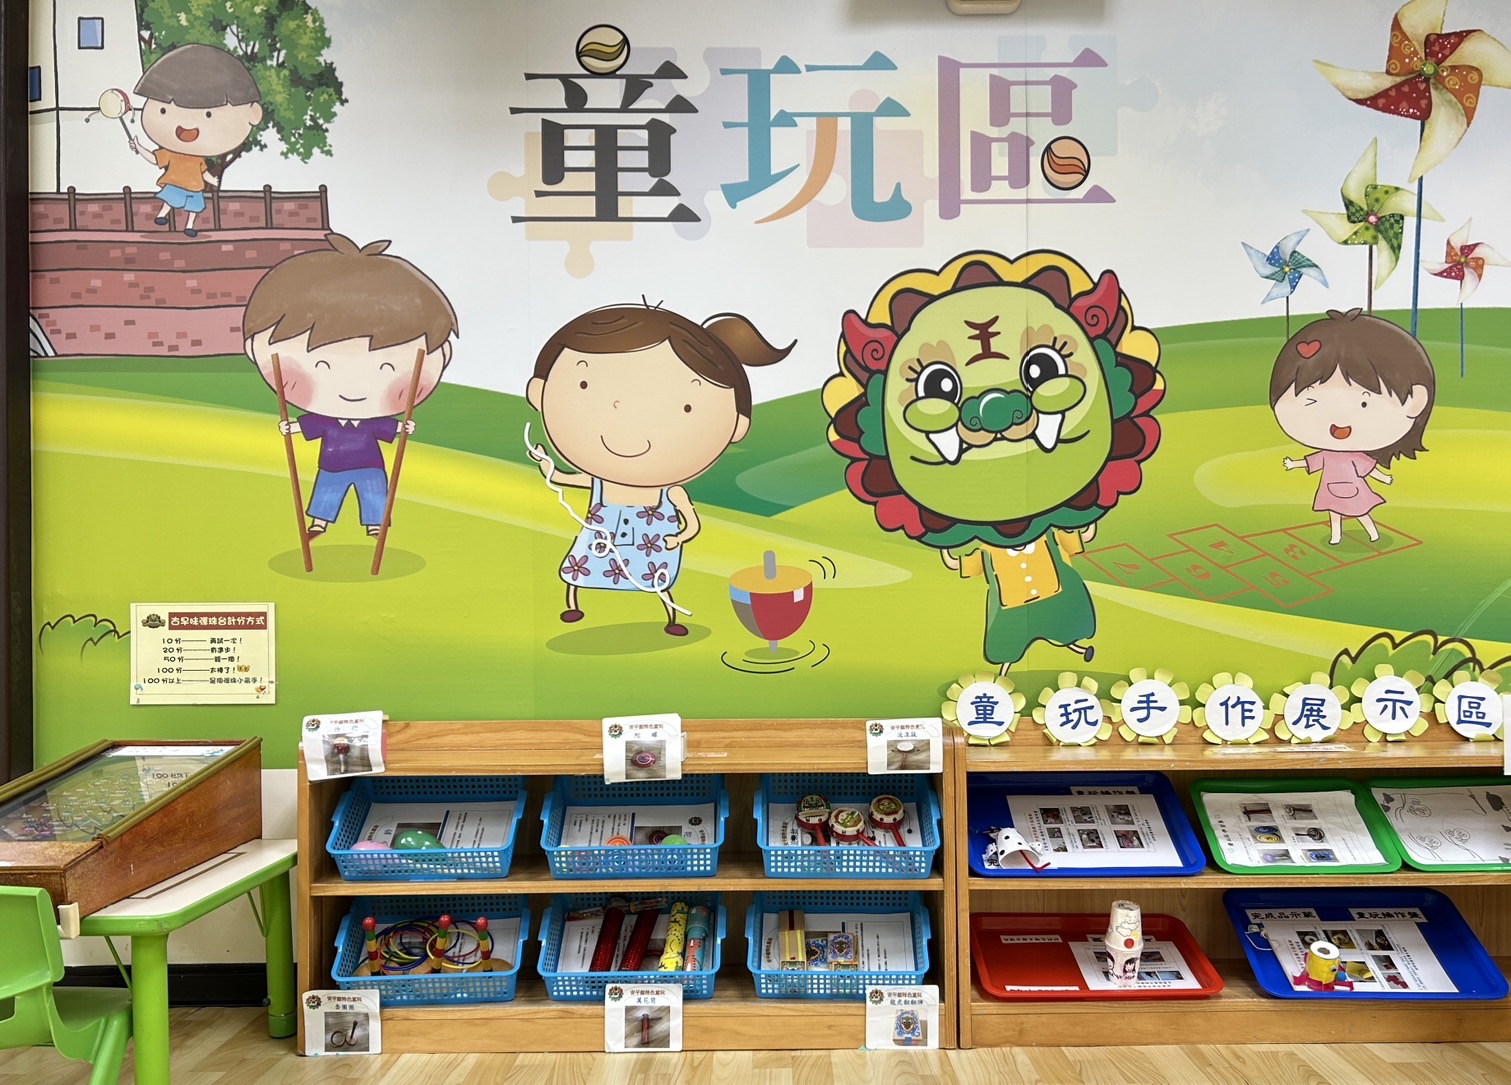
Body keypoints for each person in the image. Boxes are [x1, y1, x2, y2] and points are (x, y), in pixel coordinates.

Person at [527, 305, 792, 635]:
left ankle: (671, 619)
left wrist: (677, 537)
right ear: (538, 392)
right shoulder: (601, 484)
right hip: (601, 543)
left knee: (656, 580)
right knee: (580, 569)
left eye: (686, 407)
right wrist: (547, 466)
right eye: (585, 384)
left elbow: (691, 524)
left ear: (736, 425)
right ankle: (573, 606)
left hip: (651, 548)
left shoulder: (671, 492)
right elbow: (565, 479)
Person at [243, 233, 458, 539]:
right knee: (326, 494)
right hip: (332, 465)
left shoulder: (370, 423)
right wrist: (290, 428)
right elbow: (307, 426)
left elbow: (391, 429)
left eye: (386, 368)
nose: (353, 388)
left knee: (374, 494)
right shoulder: (327, 422)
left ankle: (375, 525)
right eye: (322, 365)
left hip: (370, 465)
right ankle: (319, 525)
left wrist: (403, 429)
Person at [1271, 309, 1434, 545]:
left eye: (1364, 403)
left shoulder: (1355, 456)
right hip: (1330, 490)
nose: (1339, 423)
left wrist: (1383, 478)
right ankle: (1336, 535)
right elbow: (1310, 462)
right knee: (1334, 512)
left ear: (1415, 402)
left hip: (1354, 490)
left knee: (1360, 512)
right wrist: (1292, 464)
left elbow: (1369, 469)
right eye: (1312, 401)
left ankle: (1372, 533)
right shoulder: (1328, 455)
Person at [128, 44, 263, 237]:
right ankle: (163, 215)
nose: (187, 127)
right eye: (164, 110)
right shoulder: (171, 154)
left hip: (194, 187)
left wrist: (210, 179)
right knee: (170, 200)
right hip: (176, 184)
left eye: (208, 114)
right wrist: (139, 147)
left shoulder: (196, 158)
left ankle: (189, 226)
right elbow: (154, 158)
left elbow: (203, 171)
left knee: (193, 208)